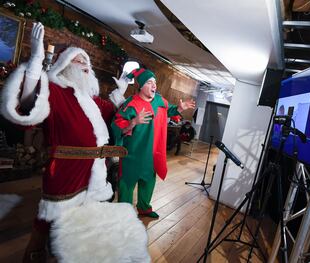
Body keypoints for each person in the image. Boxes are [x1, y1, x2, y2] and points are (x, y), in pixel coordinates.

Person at [1, 23, 149, 262]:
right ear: (63, 66)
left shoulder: (90, 99)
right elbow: (28, 106)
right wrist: (35, 64)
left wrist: (120, 92)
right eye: (78, 61)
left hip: (95, 171)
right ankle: (34, 253)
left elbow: (112, 111)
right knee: (50, 216)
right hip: (65, 170)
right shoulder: (55, 90)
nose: (84, 66)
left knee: (82, 227)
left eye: (86, 63)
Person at [111, 68, 195, 218]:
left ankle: (144, 208)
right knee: (126, 184)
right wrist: (133, 122)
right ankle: (123, 214)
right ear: (141, 85)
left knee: (148, 182)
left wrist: (180, 108)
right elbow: (117, 124)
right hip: (133, 153)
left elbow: (171, 110)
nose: (154, 86)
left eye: (155, 83)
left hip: (153, 152)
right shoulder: (131, 104)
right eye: (149, 82)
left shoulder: (160, 101)